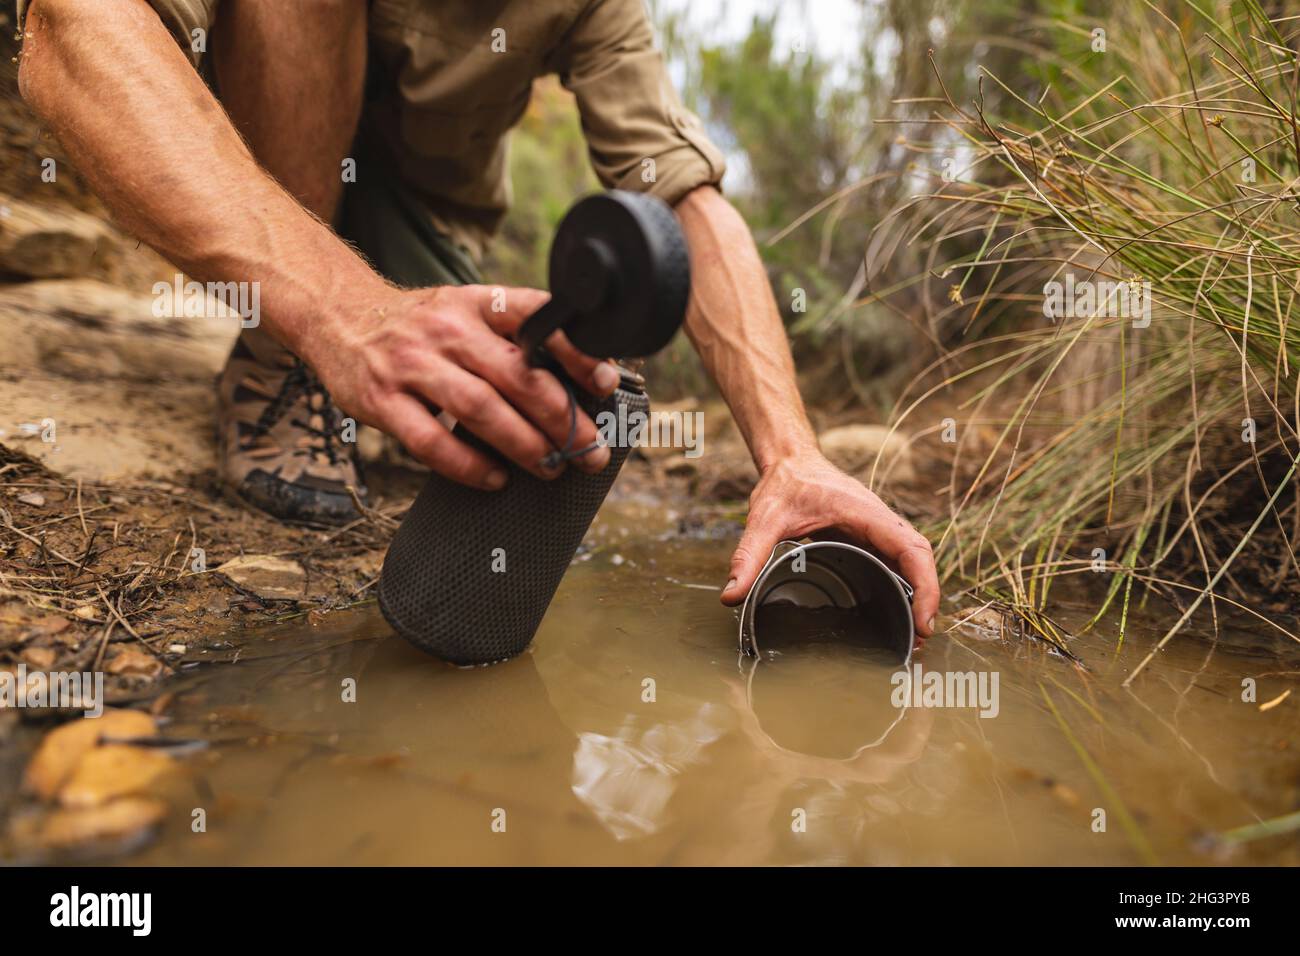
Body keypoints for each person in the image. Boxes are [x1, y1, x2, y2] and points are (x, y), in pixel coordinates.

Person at [15, 0, 939, 636]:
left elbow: (679, 196)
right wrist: (345, 315)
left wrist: (792, 453)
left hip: (412, 225)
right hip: (229, 157)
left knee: (532, 387)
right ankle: (274, 367)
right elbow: (74, 32)